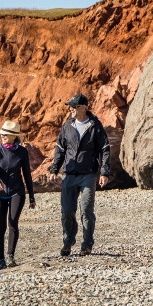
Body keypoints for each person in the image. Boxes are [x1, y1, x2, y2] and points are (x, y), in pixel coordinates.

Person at [47, 93, 110, 257]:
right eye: (70, 106)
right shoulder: (67, 125)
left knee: (86, 209)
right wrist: (54, 169)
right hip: (69, 174)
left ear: (83, 107)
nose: (70, 109)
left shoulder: (95, 126)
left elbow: (104, 149)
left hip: (88, 174)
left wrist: (104, 172)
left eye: (73, 106)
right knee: (67, 210)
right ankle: (68, 241)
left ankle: (87, 244)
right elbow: (60, 149)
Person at [0, 120, 36, 269]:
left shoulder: (22, 152)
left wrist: (32, 196)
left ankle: (10, 256)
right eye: (1, 134)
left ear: (14, 136)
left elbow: (27, 174)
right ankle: (1, 259)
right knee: (0, 227)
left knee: (13, 222)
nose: (2, 136)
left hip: (17, 192)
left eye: (5, 134)